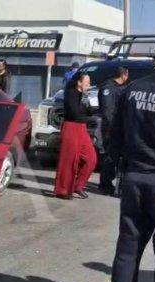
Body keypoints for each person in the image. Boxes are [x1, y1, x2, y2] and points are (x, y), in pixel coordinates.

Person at [108, 45, 155, 282]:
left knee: (127, 251)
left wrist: (117, 169)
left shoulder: (131, 90)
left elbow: (114, 133)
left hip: (133, 177)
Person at [54, 71, 97, 199]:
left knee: (91, 159)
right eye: (87, 82)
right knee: (69, 160)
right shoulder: (70, 93)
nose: (89, 85)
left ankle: (78, 186)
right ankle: (63, 190)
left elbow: (89, 112)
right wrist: (86, 113)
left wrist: (86, 99)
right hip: (71, 127)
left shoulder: (82, 95)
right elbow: (75, 114)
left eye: (89, 83)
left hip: (81, 128)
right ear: (79, 82)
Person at [98, 66, 129, 195]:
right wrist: (113, 129)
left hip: (120, 127)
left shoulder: (119, 88)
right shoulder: (108, 88)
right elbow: (107, 110)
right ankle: (105, 184)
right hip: (111, 128)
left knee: (115, 156)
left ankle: (110, 183)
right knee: (110, 156)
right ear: (124, 75)